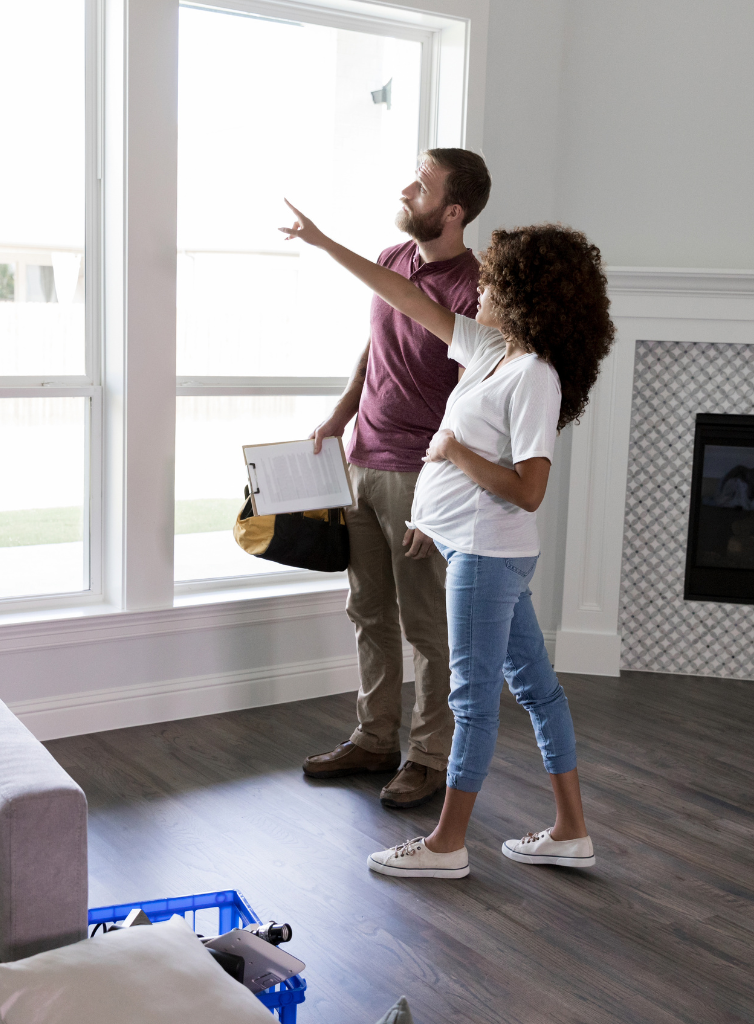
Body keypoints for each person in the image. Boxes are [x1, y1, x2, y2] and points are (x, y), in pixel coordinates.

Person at [281, 203, 615, 877]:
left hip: (490, 553)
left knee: (472, 697)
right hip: (474, 545)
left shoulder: (535, 377)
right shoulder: (490, 351)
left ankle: (446, 845)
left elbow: (527, 488)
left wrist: (455, 454)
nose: (480, 291)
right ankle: (571, 831)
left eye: (493, 283)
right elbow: (401, 294)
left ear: (522, 297)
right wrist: (323, 244)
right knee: (538, 689)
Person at [301, 149, 492, 811]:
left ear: (454, 210)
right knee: (368, 613)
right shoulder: (390, 260)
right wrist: (339, 413)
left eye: (422, 182)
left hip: (422, 478)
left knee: (425, 627)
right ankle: (374, 737)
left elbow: (470, 401)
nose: (407, 189)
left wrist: (438, 492)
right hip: (363, 460)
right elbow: (373, 347)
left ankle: (429, 756)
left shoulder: (476, 288)